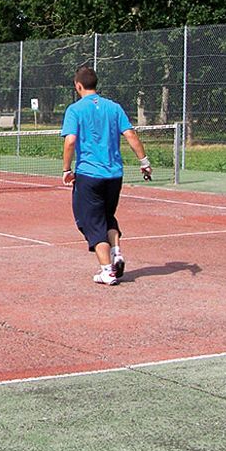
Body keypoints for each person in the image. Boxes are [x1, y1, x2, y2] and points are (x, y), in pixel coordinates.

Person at [61, 66, 152, 286]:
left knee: (91, 222)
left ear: (78, 86)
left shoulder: (75, 110)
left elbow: (70, 140)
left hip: (89, 176)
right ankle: (117, 253)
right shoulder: (114, 107)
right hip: (114, 175)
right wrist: (144, 162)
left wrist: (66, 169)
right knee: (106, 216)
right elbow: (130, 134)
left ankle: (107, 271)